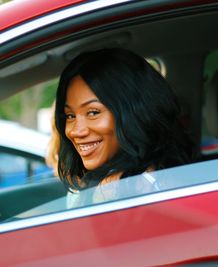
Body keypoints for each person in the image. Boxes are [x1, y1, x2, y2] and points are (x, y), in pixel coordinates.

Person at [54, 48, 198, 205]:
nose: (76, 131)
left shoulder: (121, 188)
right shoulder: (165, 173)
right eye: (70, 116)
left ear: (134, 113)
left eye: (93, 112)